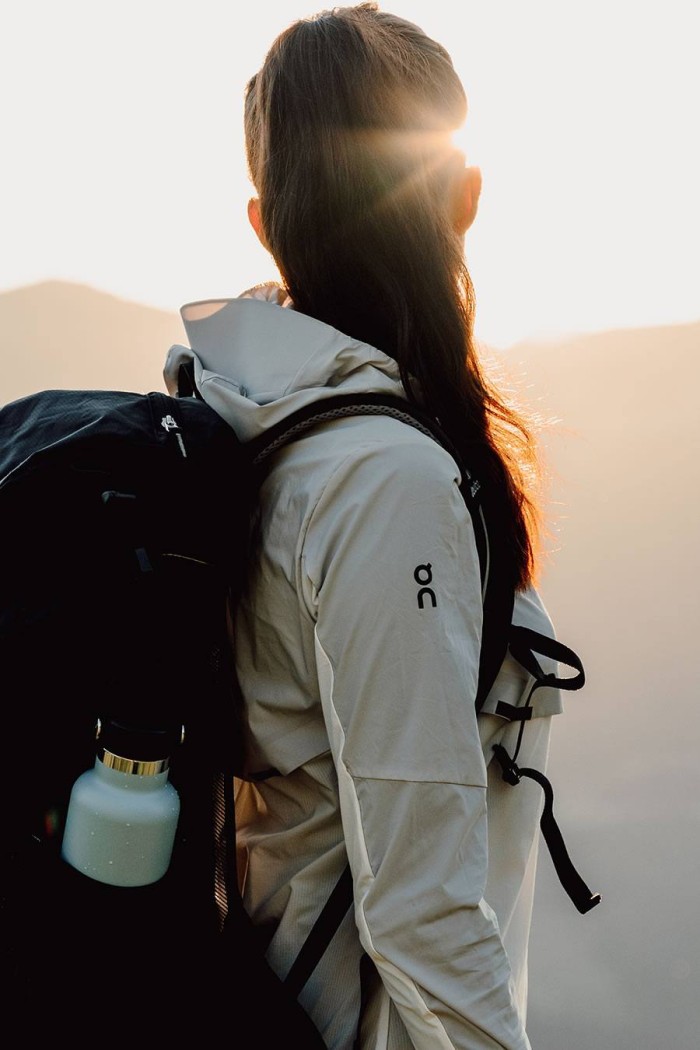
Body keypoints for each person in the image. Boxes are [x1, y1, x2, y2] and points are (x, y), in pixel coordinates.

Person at [164, 4, 563, 1048]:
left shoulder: (253, 425)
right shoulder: (384, 482)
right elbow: (420, 912)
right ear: (466, 199)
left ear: (264, 221)